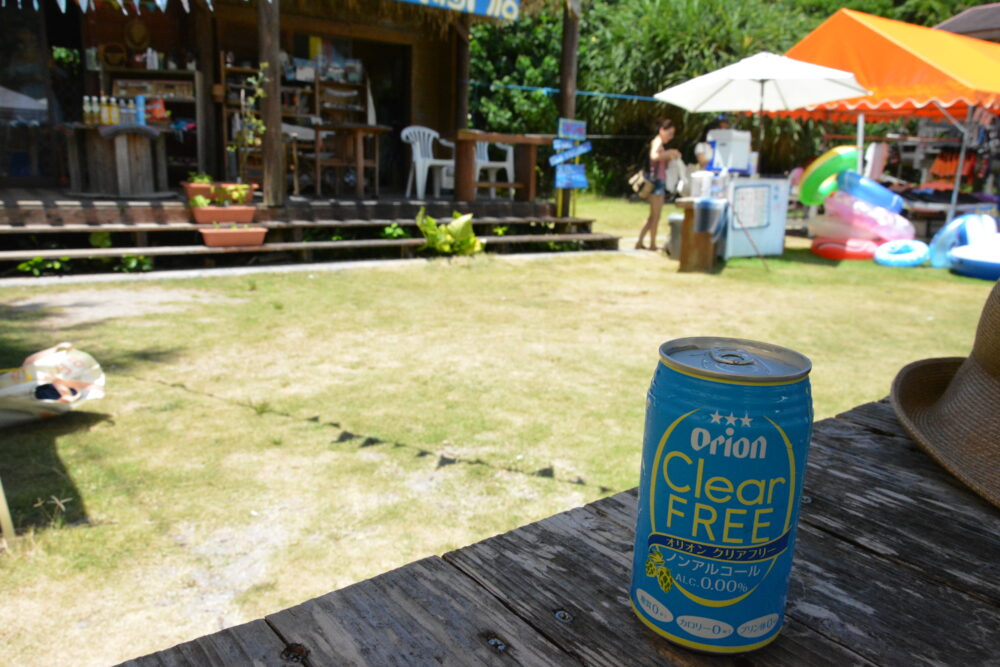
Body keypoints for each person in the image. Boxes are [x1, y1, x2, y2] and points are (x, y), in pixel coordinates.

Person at [637, 119, 682, 251]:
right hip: (656, 183)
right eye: (669, 133)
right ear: (662, 130)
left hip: (659, 182)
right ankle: (652, 244)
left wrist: (669, 156)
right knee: (655, 216)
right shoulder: (657, 141)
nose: (670, 137)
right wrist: (669, 153)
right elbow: (654, 156)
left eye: (672, 134)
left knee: (653, 216)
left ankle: (640, 241)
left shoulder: (661, 143)